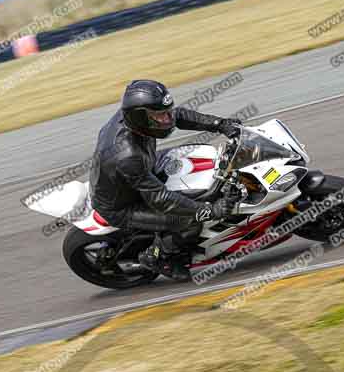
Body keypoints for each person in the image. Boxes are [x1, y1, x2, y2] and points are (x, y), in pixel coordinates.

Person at [89, 79, 243, 280]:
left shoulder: (133, 115)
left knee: (198, 156)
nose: (167, 119)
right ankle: (157, 257)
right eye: (160, 116)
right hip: (122, 206)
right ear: (139, 118)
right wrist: (210, 211)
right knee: (190, 221)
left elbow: (178, 115)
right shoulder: (128, 155)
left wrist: (220, 125)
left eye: (166, 112)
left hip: (140, 170)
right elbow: (161, 199)